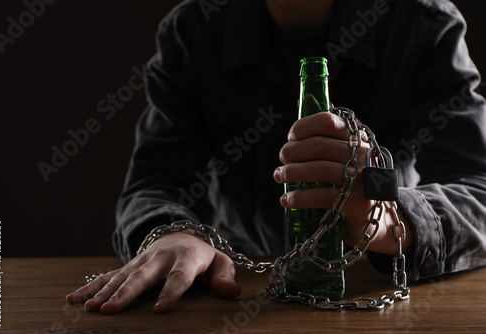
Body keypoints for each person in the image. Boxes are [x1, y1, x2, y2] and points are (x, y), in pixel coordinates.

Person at [66, 0, 486, 314]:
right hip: (235, 286)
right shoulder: (193, 30)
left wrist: (387, 212)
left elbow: (479, 188)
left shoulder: (423, 23)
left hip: (377, 280)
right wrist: (171, 233)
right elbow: (152, 183)